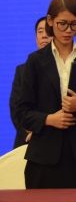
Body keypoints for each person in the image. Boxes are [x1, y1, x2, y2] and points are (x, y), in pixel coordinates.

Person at [16, 0, 76, 189]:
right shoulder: (35, 61)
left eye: (74, 24)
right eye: (62, 24)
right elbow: (22, 111)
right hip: (43, 156)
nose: (68, 30)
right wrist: (49, 119)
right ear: (50, 21)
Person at [10, 17, 52, 148]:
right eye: (40, 32)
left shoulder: (65, 68)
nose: (44, 36)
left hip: (55, 140)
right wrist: (26, 134)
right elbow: (15, 106)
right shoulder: (22, 70)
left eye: (48, 32)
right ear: (36, 38)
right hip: (27, 141)